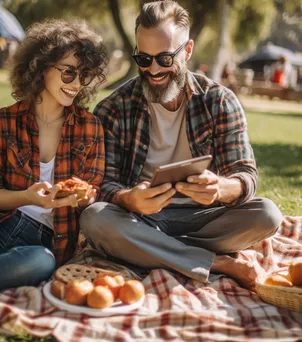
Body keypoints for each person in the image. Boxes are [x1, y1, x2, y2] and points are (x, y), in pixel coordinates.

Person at [80, 0, 283, 292]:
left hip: (205, 220)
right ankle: (218, 263)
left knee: (268, 215)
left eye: (164, 58)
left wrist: (221, 188)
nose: (153, 70)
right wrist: (128, 199)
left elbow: (245, 175)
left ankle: (154, 252)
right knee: (94, 219)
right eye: (144, 59)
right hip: (141, 220)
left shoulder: (219, 101)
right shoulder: (113, 108)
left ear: (187, 51)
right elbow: (102, 184)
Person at [0, 19, 107, 295]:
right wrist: (27, 196)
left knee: (43, 263)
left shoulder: (91, 127)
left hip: (42, 243)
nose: (76, 83)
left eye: (84, 75)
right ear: (40, 66)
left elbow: (92, 191)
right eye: (68, 73)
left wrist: (85, 197)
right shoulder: (3, 120)